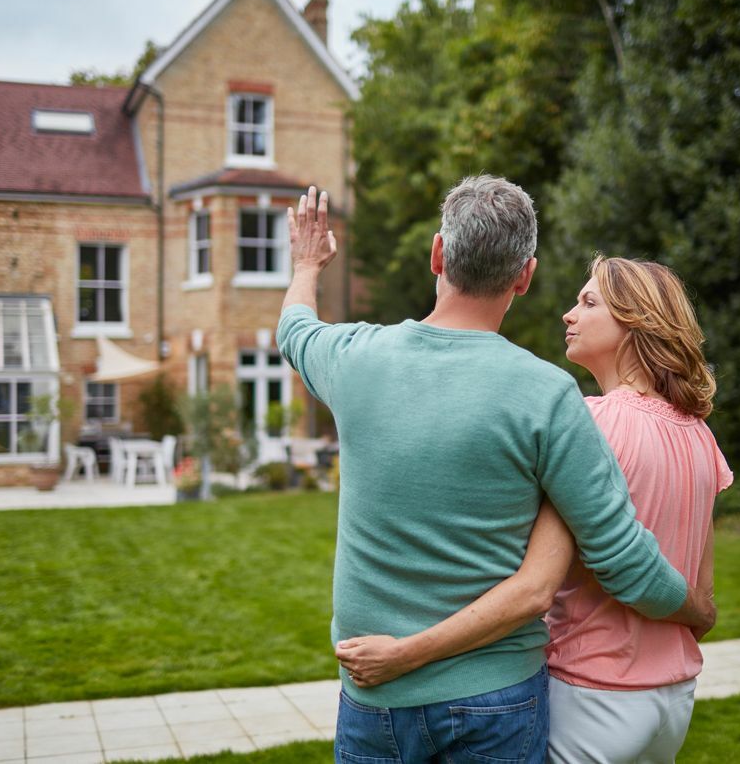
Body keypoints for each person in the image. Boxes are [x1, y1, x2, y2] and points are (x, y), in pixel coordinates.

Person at [276, 178, 716, 763]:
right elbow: (620, 556)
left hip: (375, 697)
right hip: (498, 701)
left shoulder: (354, 358)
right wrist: (697, 611)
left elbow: (294, 329)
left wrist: (308, 262)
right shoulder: (550, 396)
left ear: (437, 253)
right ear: (525, 276)